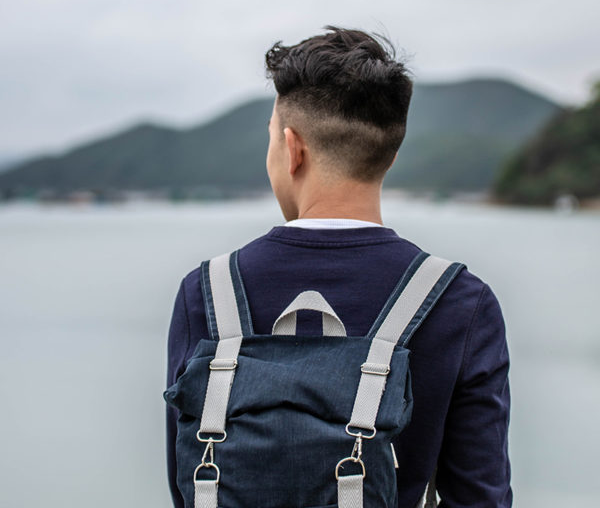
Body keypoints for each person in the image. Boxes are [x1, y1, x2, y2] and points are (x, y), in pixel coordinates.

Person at [165, 26, 512, 507]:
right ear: (390, 155)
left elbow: (188, 483)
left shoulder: (207, 291)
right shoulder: (461, 301)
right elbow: (480, 497)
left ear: (292, 149)